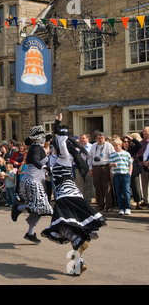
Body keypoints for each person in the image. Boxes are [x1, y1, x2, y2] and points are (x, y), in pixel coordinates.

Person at [41, 114, 107, 275]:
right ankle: (78, 263)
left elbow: (62, 141)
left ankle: (78, 242)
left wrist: (58, 125)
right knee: (72, 227)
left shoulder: (64, 156)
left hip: (67, 195)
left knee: (61, 225)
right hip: (68, 195)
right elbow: (46, 155)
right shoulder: (54, 158)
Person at [11, 126, 53, 244]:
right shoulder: (35, 148)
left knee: (40, 209)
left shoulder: (39, 148)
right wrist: (43, 167)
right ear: (39, 138)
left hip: (33, 181)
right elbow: (35, 160)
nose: (45, 140)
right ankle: (18, 208)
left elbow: (45, 152)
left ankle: (30, 233)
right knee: (43, 207)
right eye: (44, 138)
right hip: (32, 181)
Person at [88, 132, 115, 211]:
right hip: (96, 167)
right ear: (96, 139)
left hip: (105, 167)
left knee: (107, 187)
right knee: (98, 187)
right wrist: (90, 169)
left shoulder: (108, 146)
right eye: (98, 138)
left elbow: (112, 157)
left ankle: (109, 206)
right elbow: (90, 158)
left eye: (102, 138)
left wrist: (111, 171)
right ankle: (100, 205)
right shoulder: (93, 146)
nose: (100, 140)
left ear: (104, 138)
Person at [109, 137, 133, 215]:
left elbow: (130, 164)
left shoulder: (126, 154)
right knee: (118, 192)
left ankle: (127, 207)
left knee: (126, 191)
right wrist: (112, 164)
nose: (115, 147)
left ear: (121, 145)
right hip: (117, 175)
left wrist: (129, 173)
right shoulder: (113, 154)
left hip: (125, 175)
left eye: (117, 146)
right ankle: (121, 208)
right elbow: (109, 164)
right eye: (114, 146)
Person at [122, 134, 143, 210]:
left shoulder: (132, 149)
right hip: (124, 171)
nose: (126, 143)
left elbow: (140, 145)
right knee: (125, 189)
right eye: (124, 141)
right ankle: (125, 204)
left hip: (134, 171)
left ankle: (138, 203)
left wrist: (132, 139)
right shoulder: (121, 150)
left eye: (128, 142)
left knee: (136, 188)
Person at [74, 133, 95, 203]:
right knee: (80, 184)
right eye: (81, 138)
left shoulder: (92, 147)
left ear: (88, 139)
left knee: (88, 184)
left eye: (83, 138)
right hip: (80, 168)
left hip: (88, 167)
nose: (81, 140)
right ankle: (80, 199)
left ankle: (88, 200)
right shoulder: (78, 147)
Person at [138, 126, 149, 207]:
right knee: (144, 184)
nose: (144, 133)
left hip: (148, 164)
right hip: (142, 164)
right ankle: (146, 200)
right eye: (143, 131)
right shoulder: (141, 142)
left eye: (145, 131)